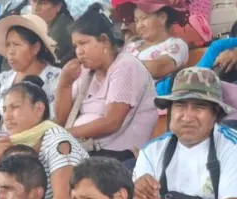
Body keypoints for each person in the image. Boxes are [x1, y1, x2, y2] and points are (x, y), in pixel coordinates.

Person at [133, 68, 237, 199]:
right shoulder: (151, 150)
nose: (188, 116)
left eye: (199, 107)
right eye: (180, 106)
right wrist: (139, 191)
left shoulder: (236, 147)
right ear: (170, 111)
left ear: (215, 114)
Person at [55, 5, 159, 163]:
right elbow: (63, 120)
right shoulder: (85, 72)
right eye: (76, 46)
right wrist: (64, 84)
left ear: (104, 40)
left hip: (119, 156)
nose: (79, 52)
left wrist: (63, 135)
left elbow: (111, 122)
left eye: (84, 43)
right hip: (86, 151)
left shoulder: (126, 66)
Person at [0, 14, 62, 165]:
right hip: (1, 149)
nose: (10, 52)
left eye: (17, 45)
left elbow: (54, 121)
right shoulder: (3, 79)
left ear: (36, 48)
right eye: (8, 45)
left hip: (37, 152)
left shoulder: (56, 77)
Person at [120, 1, 191, 81]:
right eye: (136, 21)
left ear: (162, 18)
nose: (139, 26)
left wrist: (121, 68)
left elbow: (159, 68)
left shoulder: (176, 44)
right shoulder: (133, 44)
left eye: (144, 18)